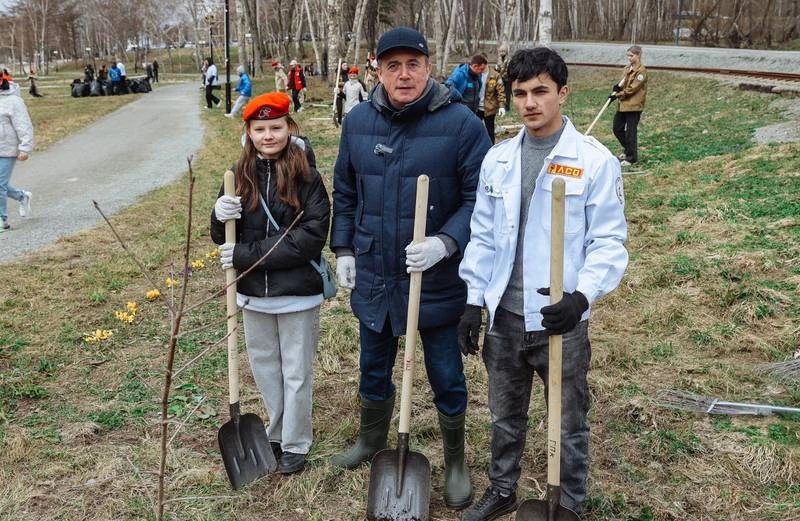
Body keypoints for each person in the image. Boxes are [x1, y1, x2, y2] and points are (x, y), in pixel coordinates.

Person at [457, 47, 628, 521]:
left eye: (540, 92)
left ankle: (567, 503)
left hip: (562, 320)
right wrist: (474, 300)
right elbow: (484, 235)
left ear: (563, 93)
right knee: (503, 416)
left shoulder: (592, 162)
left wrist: (581, 297)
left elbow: (610, 242)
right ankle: (502, 489)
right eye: (520, 94)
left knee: (568, 420)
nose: (529, 103)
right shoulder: (499, 160)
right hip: (506, 318)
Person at [330, 26, 492, 510]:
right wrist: (343, 250)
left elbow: (478, 199)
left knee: (446, 372)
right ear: (377, 69)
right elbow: (346, 190)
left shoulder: (463, 125)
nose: (403, 75)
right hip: (377, 269)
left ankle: (457, 460)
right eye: (392, 65)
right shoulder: (358, 121)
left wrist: (447, 242)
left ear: (429, 67)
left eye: (413, 64)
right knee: (372, 364)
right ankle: (369, 439)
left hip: (437, 278)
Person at [210, 91, 331, 474]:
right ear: (248, 132)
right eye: (260, 129)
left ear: (288, 127)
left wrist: (244, 256)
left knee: (296, 371)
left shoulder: (306, 175)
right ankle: (275, 434)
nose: (268, 136)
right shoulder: (237, 175)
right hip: (252, 297)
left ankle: (296, 443)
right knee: (265, 368)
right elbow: (221, 236)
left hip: (297, 294)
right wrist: (218, 214)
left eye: (275, 127)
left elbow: (310, 236)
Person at [0, 72, 34, 232]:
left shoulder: (14, 101)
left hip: (7, 149)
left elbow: (23, 125)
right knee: (2, 184)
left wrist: (25, 147)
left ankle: (2, 219)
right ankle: (23, 196)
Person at [610, 45, 647, 167]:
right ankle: (628, 149)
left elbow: (632, 89)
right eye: (628, 56)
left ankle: (631, 158)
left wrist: (618, 95)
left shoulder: (641, 71)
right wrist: (617, 88)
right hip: (623, 105)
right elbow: (623, 83)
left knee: (631, 132)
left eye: (631, 56)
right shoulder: (627, 68)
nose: (629, 58)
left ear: (638, 55)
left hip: (634, 105)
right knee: (617, 128)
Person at [478, 65, 505, 144]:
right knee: (475, 129)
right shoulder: (476, 74)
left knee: (490, 130)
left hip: (489, 108)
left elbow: (501, 91)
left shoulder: (495, 75)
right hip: (476, 108)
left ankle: (491, 148)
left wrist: (501, 106)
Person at [496, 44, 511, 112]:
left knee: (507, 93)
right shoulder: (499, 59)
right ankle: (500, 106)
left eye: (503, 51)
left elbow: (508, 70)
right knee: (500, 92)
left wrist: (501, 77)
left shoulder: (508, 59)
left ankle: (507, 108)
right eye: (501, 51)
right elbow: (498, 68)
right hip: (500, 78)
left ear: (506, 52)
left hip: (507, 79)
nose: (502, 52)